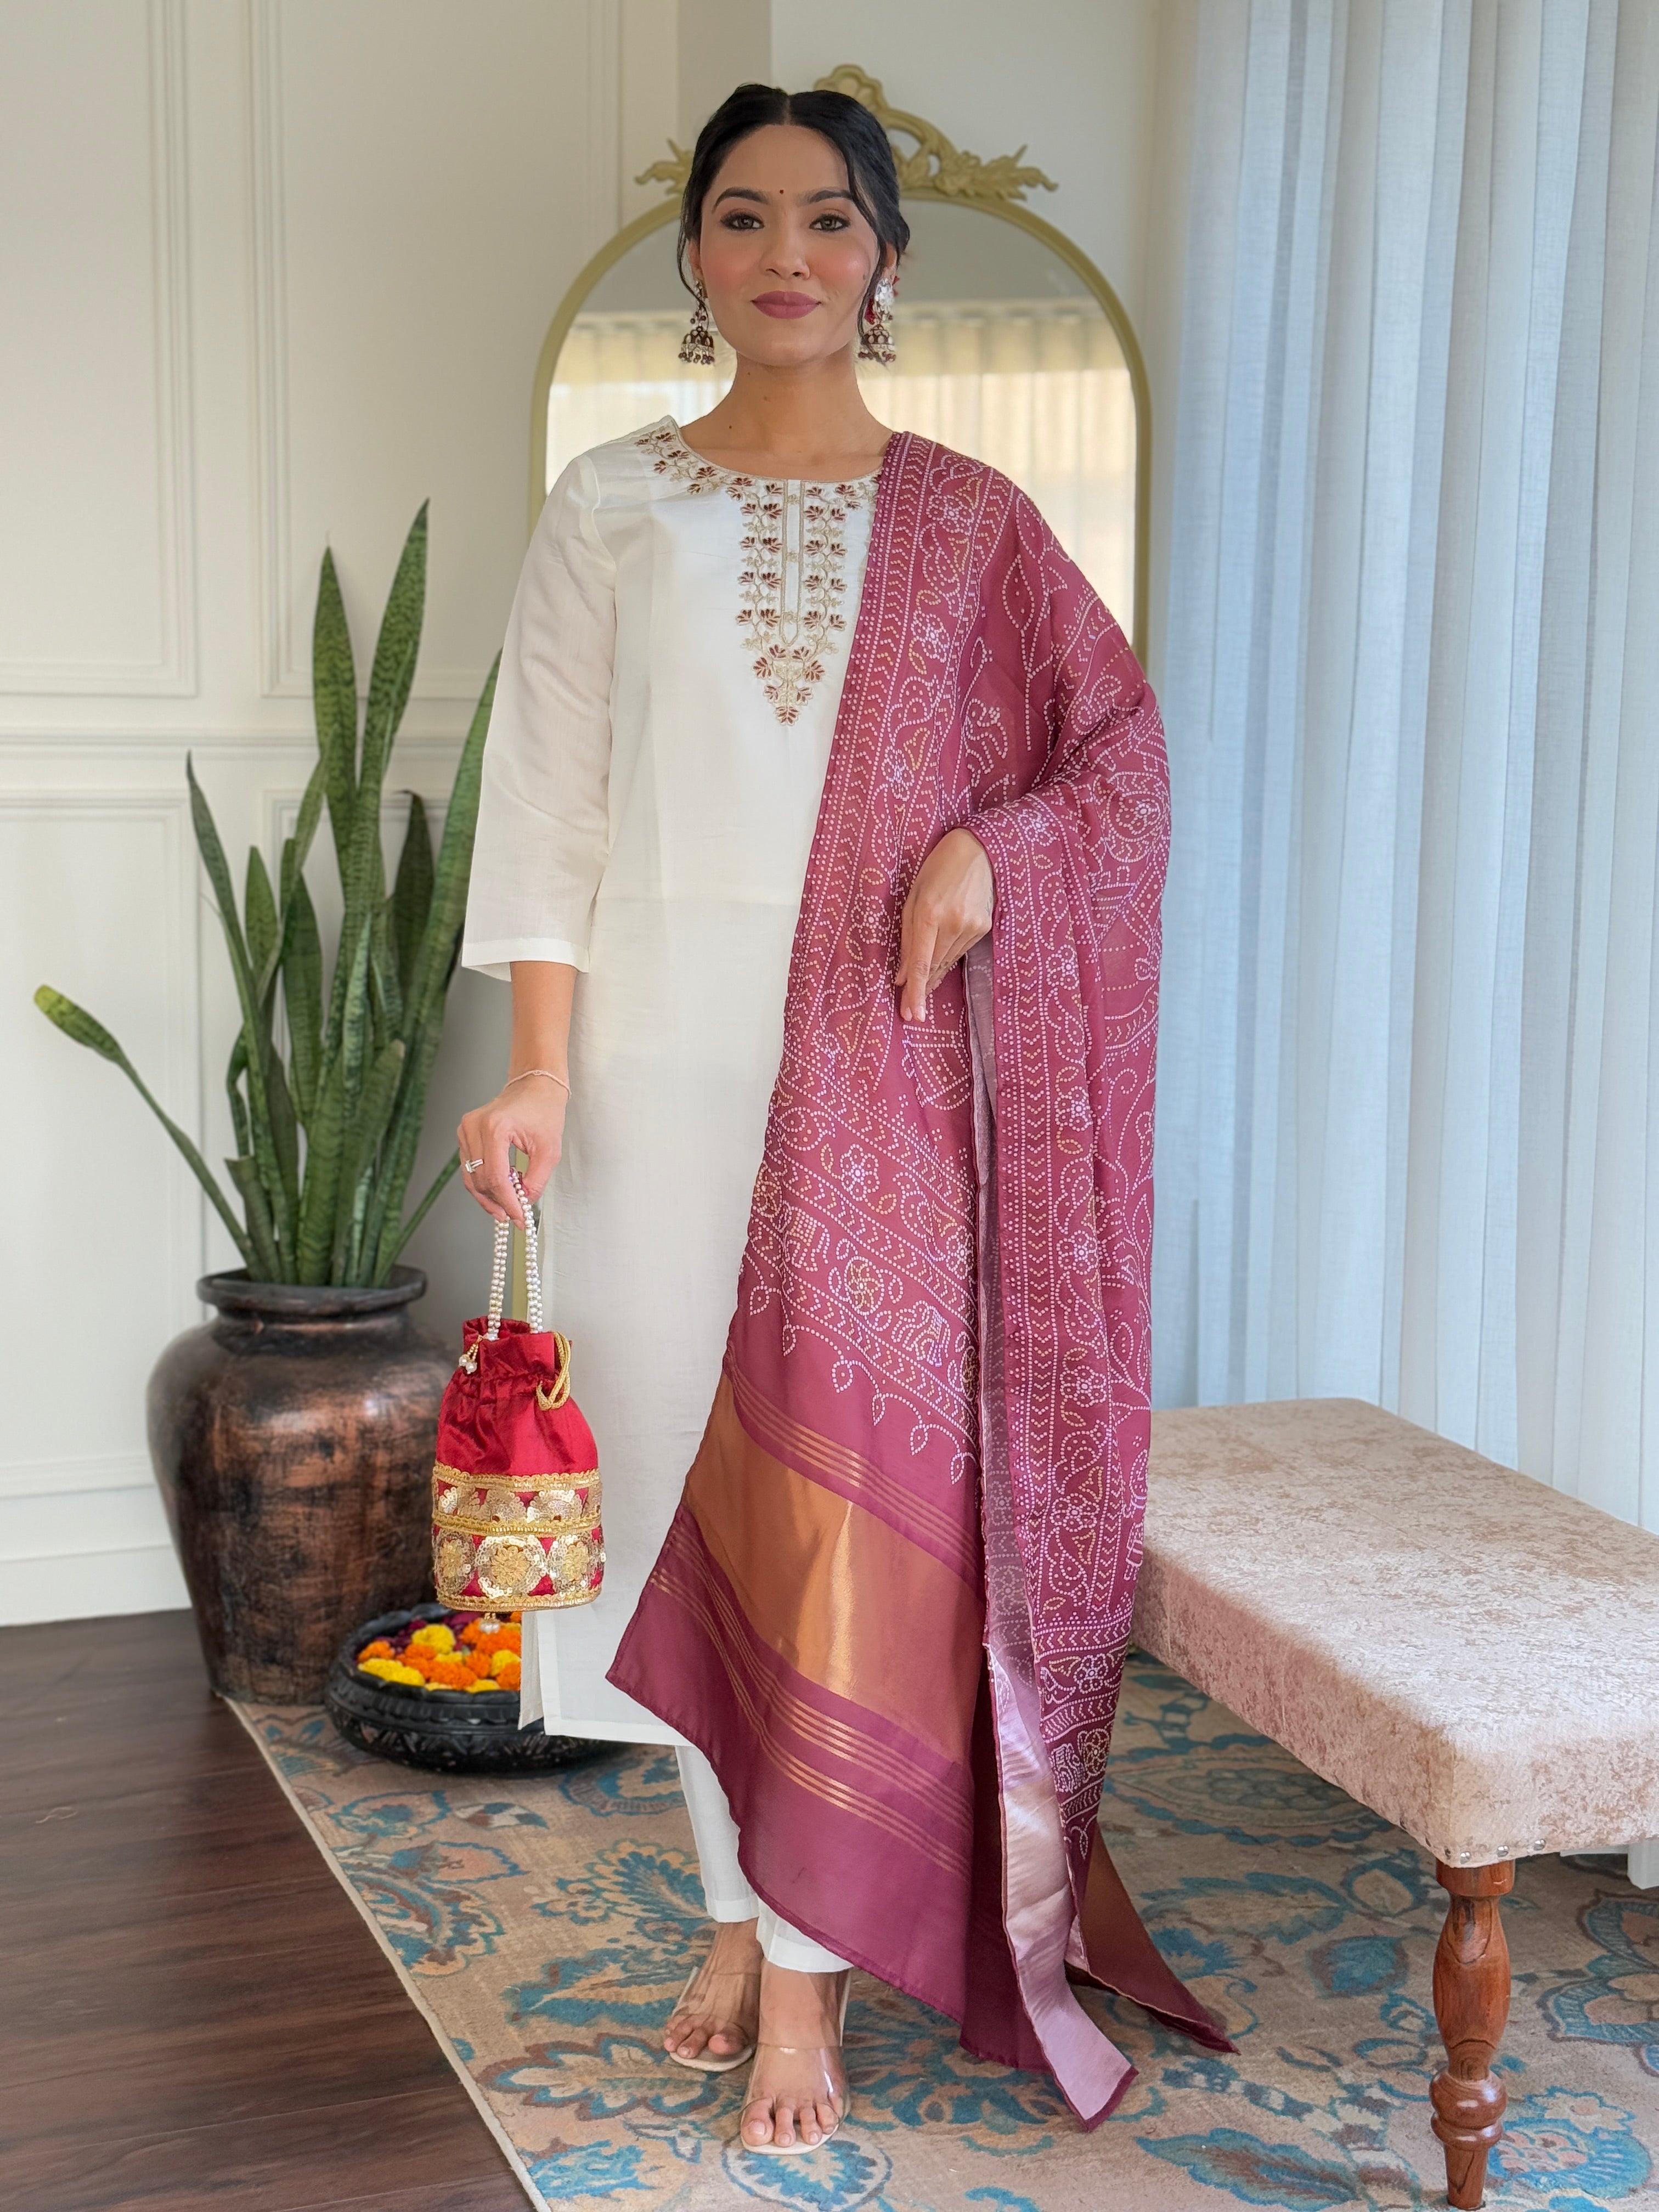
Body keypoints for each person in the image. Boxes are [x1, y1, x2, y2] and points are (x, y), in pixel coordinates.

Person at [458, 81, 1224, 2158]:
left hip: (879, 1091)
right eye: (738, 216)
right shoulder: (612, 504)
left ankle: (796, 1962)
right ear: (693, 257)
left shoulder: (974, 527)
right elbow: (546, 808)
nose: (782, 251)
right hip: (654, 1075)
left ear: (887, 259)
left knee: (830, 1509)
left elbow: (1122, 763)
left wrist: (994, 850)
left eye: (824, 217)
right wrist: (534, 1070)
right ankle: (745, 1911)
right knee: (690, 1520)